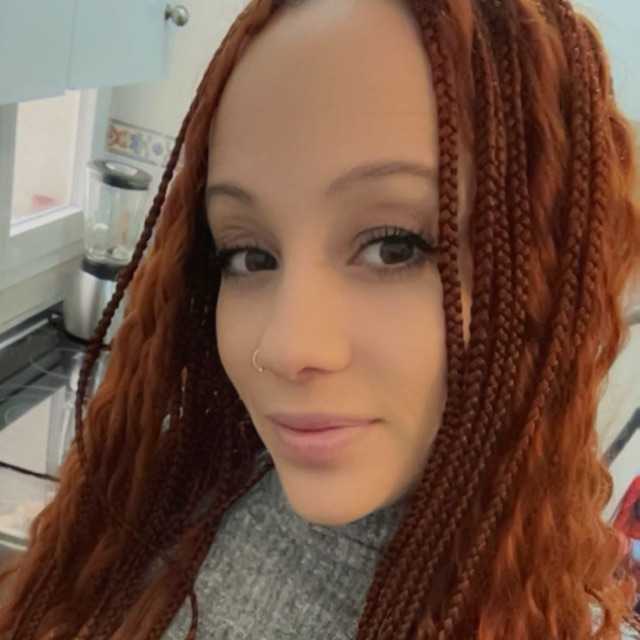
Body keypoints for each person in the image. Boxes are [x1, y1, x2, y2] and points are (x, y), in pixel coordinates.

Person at [1, 0, 640, 637]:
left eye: (395, 247)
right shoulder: (154, 506)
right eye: (250, 256)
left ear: (546, 275)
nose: (285, 348)